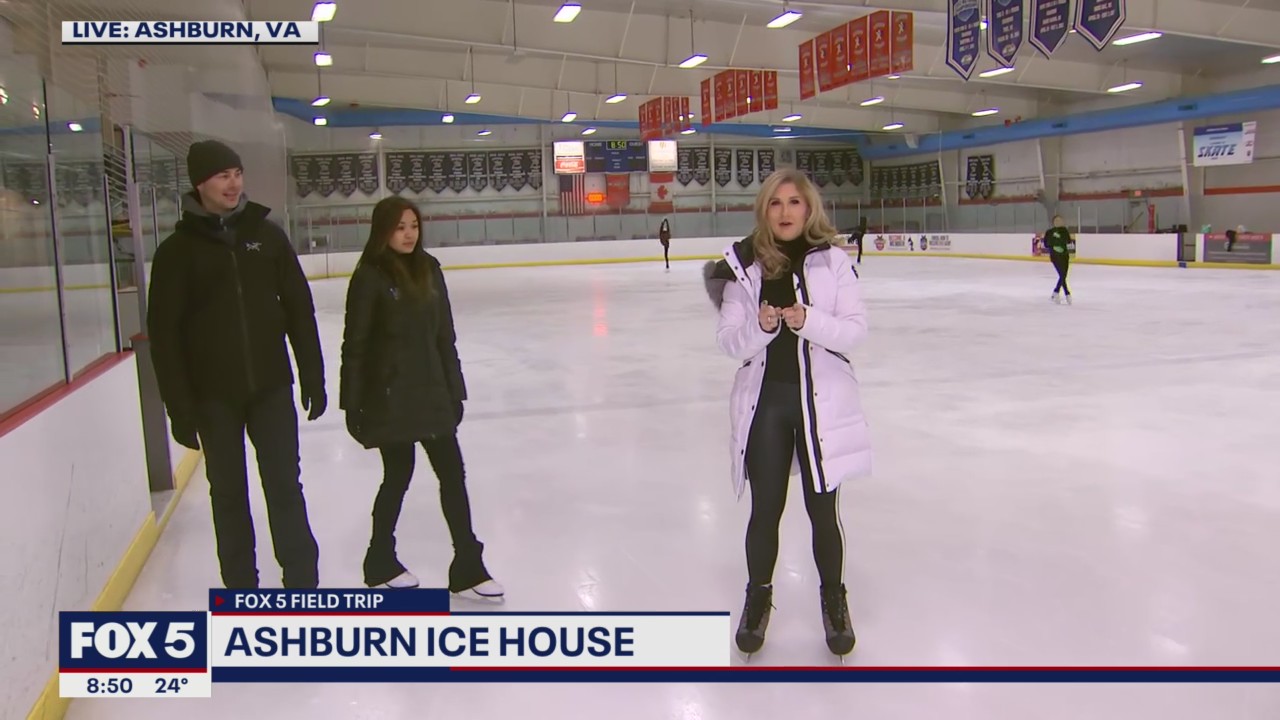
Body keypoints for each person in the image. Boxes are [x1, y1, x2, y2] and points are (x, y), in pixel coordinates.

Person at [701, 168, 871, 658]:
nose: (785, 212)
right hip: (767, 404)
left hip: (822, 404)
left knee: (823, 511)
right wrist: (760, 327)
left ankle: (834, 601)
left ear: (808, 207)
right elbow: (728, 343)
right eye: (775, 203)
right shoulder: (743, 265)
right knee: (766, 510)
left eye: (794, 201)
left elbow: (855, 330)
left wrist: (808, 320)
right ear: (764, 210)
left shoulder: (833, 261)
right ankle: (757, 599)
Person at [147, 139, 325, 589]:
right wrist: (179, 407)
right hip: (214, 397)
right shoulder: (177, 252)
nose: (233, 183)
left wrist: (312, 374)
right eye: (222, 175)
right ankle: (242, 590)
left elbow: (299, 308)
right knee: (228, 495)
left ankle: (302, 584)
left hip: (271, 387)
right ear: (199, 184)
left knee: (285, 486)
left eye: (237, 173)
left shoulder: (268, 237)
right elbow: (165, 338)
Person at [339, 196, 503, 602]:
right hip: (390, 397)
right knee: (398, 475)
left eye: (413, 225)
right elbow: (355, 345)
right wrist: (352, 403)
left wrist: (455, 390)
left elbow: (444, 336)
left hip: (431, 392)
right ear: (383, 231)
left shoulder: (430, 269)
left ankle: (467, 566)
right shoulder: (370, 276)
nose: (409, 234)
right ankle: (380, 561)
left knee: (453, 475)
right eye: (399, 227)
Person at [1043, 214, 1075, 304]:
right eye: (1056, 220)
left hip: (1065, 255)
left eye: (1060, 220)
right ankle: (1066, 293)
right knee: (1062, 274)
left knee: (1063, 275)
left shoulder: (1064, 231)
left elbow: (1068, 241)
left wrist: (1059, 239)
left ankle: (1056, 292)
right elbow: (1046, 244)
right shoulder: (1049, 232)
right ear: (1053, 222)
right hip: (1055, 256)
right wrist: (1056, 240)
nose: (1058, 222)